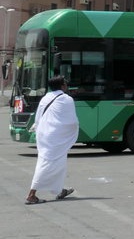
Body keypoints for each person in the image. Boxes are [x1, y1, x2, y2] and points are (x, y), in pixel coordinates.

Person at [25, 75, 78, 205]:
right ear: (62, 86)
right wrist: (73, 131)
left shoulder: (45, 98)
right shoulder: (67, 99)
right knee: (46, 163)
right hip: (56, 137)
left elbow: (38, 118)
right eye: (65, 83)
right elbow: (71, 121)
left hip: (44, 135)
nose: (66, 85)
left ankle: (59, 190)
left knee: (58, 163)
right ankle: (31, 194)